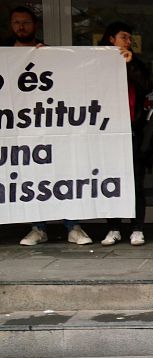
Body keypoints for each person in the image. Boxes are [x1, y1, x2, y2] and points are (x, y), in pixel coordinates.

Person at [11, 6, 92, 246]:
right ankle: (38, 228)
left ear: (35, 25)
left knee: (62, 173)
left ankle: (73, 226)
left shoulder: (48, 53)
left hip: (52, 123)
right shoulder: (5, 56)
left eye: (26, 22)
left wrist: (50, 58)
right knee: (32, 176)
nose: (21, 27)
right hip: (20, 127)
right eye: (16, 22)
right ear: (10, 25)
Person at [98, 21, 150, 246]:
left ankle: (137, 227)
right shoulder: (96, 62)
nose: (128, 42)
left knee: (136, 179)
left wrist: (130, 65)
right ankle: (113, 227)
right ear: (111, 39)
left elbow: (146, 87)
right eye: (123, 37)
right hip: (105, 130)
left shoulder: (136, 63)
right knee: (111, 179)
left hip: (131, 129)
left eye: (130, 38)